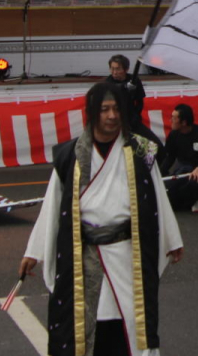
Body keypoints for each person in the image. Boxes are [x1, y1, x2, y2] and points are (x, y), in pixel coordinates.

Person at [20, 82, 183, 356]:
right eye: (105, 109)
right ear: (92, 112)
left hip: (127, 252)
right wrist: (33, 251)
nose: (111, 116)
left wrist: (172, 238)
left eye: (117, 109)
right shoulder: (71, 155)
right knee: (86, 322)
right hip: (83, 254)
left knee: (131, 320)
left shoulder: (141, 151)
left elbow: (157, 196)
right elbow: (53, 205)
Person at [161, 103, 198, 212]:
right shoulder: (173, 135)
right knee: (169, 202)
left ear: (184, 122)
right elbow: (170, 158)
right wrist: (159, 174)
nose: (170, 120)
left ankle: (194, 198)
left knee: (194, 183)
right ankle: (187, 201)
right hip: (182, 173)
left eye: (174, 118)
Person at [108, 54, 163, 150]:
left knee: (156, 145)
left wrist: (135, 117)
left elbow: (139, 102)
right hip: (116, 124)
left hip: (133, 122)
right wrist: (125, 87)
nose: (114, 72)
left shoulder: (135, 81)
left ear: (126, 69)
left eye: (118, 69)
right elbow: (113, 89)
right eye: (112, 69)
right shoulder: (107, 83)